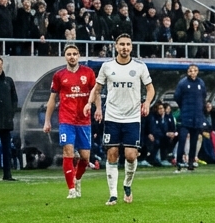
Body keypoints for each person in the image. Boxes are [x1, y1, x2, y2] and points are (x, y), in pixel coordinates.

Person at [87, 35, 154, 206]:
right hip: (112, 116)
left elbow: (150, 89)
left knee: (131, 156)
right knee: (112, 153)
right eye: (122, 44)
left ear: (131, 47)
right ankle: (113, 195)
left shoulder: (139, 66)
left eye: (128, 44)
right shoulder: (107, 66)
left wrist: (147, 102)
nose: (125, 47)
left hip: (132, 117)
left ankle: (127, 184)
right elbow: (97, 89)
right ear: (116, 47)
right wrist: (92, 105)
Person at [43, 44, 97, 198]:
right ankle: (71, 189)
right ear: (65, 56)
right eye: (69, 54)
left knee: (85, 157)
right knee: (68, 152)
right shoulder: (59, 75)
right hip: (66, 120)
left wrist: (98, 109)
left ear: (78, 56)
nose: (72, 57)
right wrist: (47, 121)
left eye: (74, 54)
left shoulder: (88, 73)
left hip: (84, 121)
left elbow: (96, 93)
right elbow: (52, 99)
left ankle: (77, 178)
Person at [173, 64, 207, 172]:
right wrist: (183, 107)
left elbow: (204, 96)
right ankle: (179, 161)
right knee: (182, 139)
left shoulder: (201, 83)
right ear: (188, 72)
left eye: (195, 70)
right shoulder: (183, 83)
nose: (193, 72)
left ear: (197, 72)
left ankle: (191, 162)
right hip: (185, 116)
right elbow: (177, 97)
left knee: (194, 141)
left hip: (197, 117)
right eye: (191, 70)